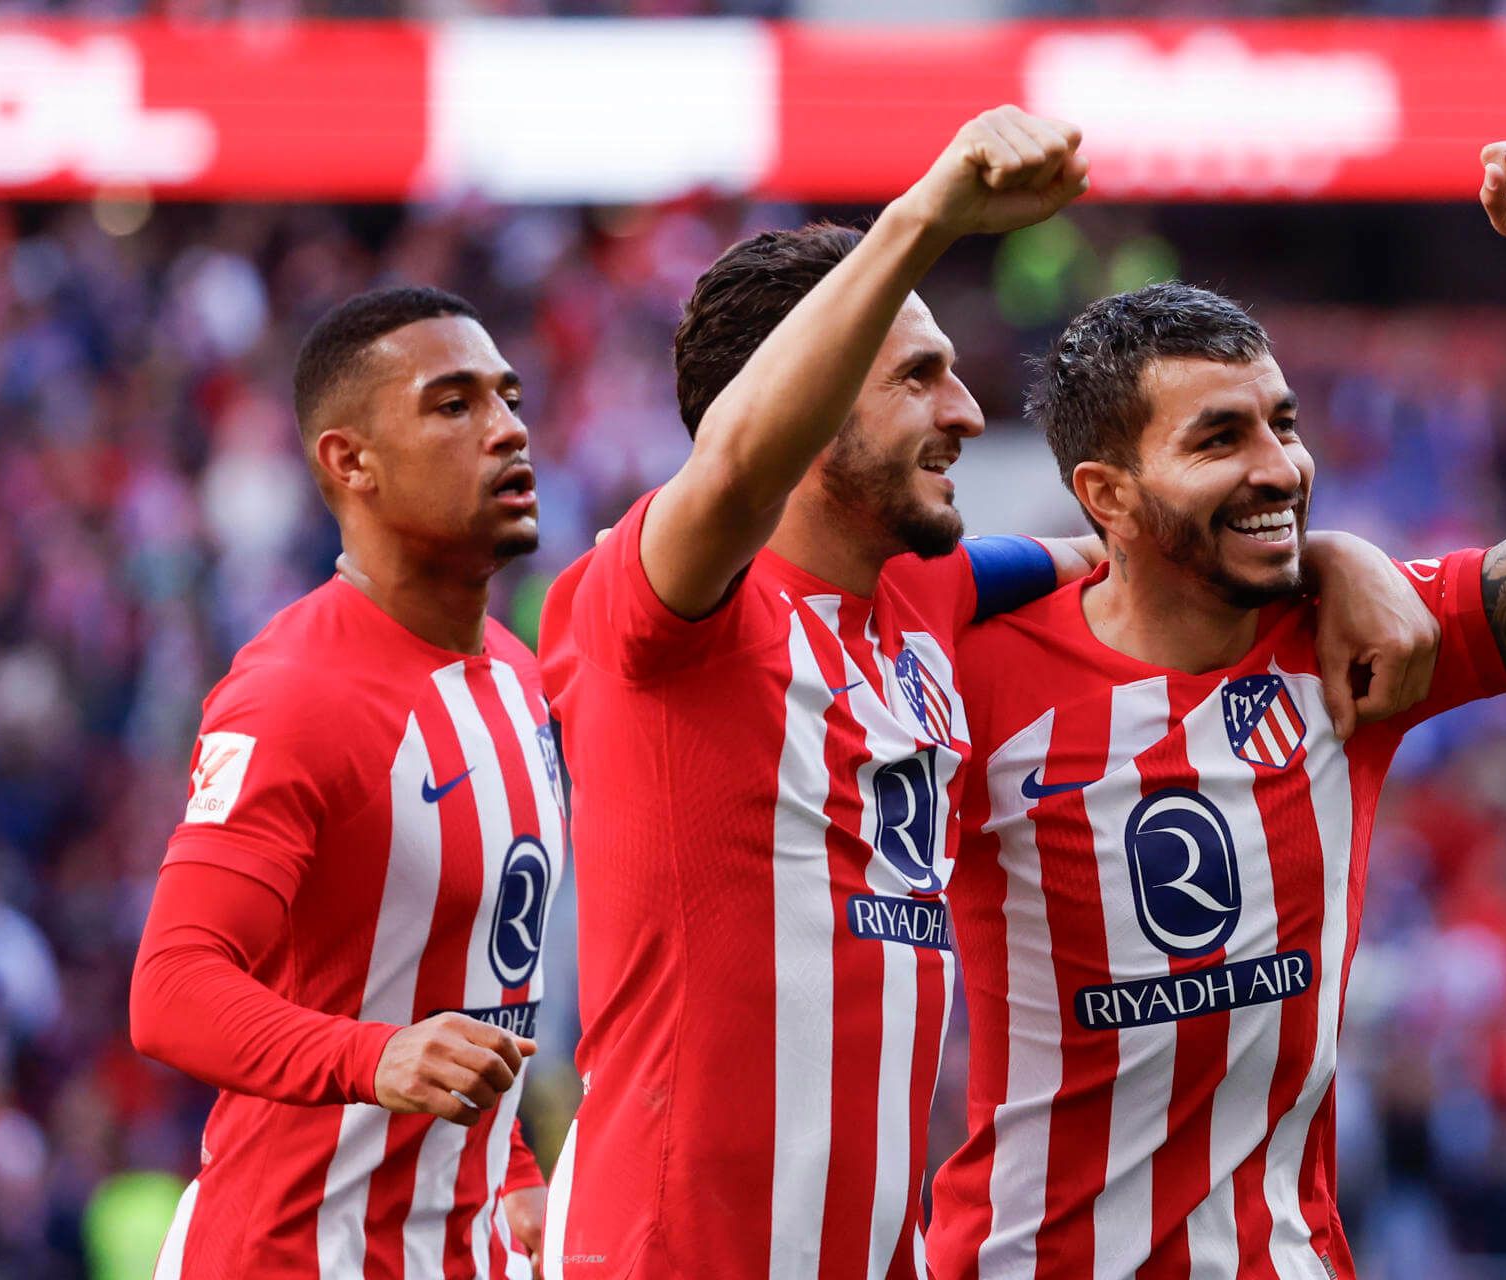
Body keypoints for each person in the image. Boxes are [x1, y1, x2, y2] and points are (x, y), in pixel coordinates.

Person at [538, 108, 1437, 1278]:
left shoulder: (927, 600)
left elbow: (1139, 548)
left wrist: (1335, 556)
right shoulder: (655, 606)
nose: (966, 410)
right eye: (920, 376)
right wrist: (926, 213)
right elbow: (733, 467)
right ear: (803, 403)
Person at [924, 127, 1506, 1278]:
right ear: (1105, 492)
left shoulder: (1361, 639)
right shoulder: (970, 676)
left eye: (1282, 422)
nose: (1280, 466)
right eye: (1220, 436)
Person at [130, 287, 564, 1279]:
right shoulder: (296, 691)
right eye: (453, 405)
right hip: (292, 1252)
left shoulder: (519, 676)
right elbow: (170, 987)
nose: (506, 428)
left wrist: (512, 1169)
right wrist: (374, 1056)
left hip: (465, 1247)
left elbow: (486, 985)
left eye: (509, 396)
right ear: (349, 460)